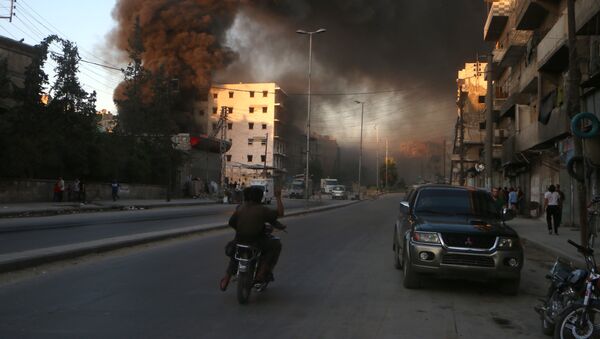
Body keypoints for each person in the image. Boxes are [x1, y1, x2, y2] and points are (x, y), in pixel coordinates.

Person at [219, 186, 285, 291]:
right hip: (255, 241)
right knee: (275, 245)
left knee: (235, 253)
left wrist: (240, 229)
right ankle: (261, 273)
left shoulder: (240, 208)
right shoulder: (262, 209)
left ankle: (227, 277)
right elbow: (280, 213)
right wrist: (278, 197)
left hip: (239, 240)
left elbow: (231, 222)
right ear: (260, 197)